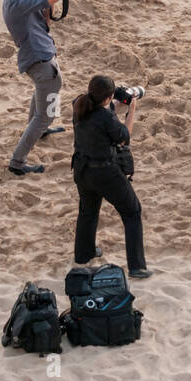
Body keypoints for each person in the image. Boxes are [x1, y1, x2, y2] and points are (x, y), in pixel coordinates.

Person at [70, 75, 151, 280]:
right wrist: (131, 109)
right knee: (132, 212)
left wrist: (112, 105)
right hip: (105, 173)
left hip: (82, 170)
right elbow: (124, 137)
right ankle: (137, 267)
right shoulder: (106, 118)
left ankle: (84, 254)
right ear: (107, 98)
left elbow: (99, 112)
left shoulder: (79, 105)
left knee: (88, 212)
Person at [2, 0, 68, 176]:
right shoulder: (21, 3)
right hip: (40, 60)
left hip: (35, 57)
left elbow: (48, 17)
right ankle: (17, 162)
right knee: (46, 113)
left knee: (45, 92)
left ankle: (40, 130)